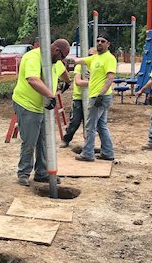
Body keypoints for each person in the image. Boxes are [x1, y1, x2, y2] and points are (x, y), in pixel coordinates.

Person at [12, 39, 71, 186]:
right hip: (27, 105)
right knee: (30, 141)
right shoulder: (33, 57)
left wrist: (68, 81)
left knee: (44, 140)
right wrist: (50, 95)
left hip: (42, 107)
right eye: (62, 56)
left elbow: (63, 71)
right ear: (56, 50)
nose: (62, 60)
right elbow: (32, 79)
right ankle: (23, 173)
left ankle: (42, 173)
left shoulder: (55, 61)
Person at [70, 33, 116, 161]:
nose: (99, 43)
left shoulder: (109, 58)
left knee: (90, 126)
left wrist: (101, 95)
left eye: (103, 41)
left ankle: (87, 153)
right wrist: (66, 57)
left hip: (99, 96)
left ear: (108, 44)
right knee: (101, 125)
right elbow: (78, 60)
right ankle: (108, 152)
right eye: (98, 41)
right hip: (97, 96)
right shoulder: (95, 58)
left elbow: (110, 77)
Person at [59, 49, 94, 148]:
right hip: (78, 98)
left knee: (90, 123)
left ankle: (88, 143)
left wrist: (93, 80)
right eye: (90, 55)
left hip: (91, 97)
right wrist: (93, 82)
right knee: (75, 121)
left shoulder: (95, 67)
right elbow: (78, 82)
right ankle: (66, 139)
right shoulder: (80, 66)